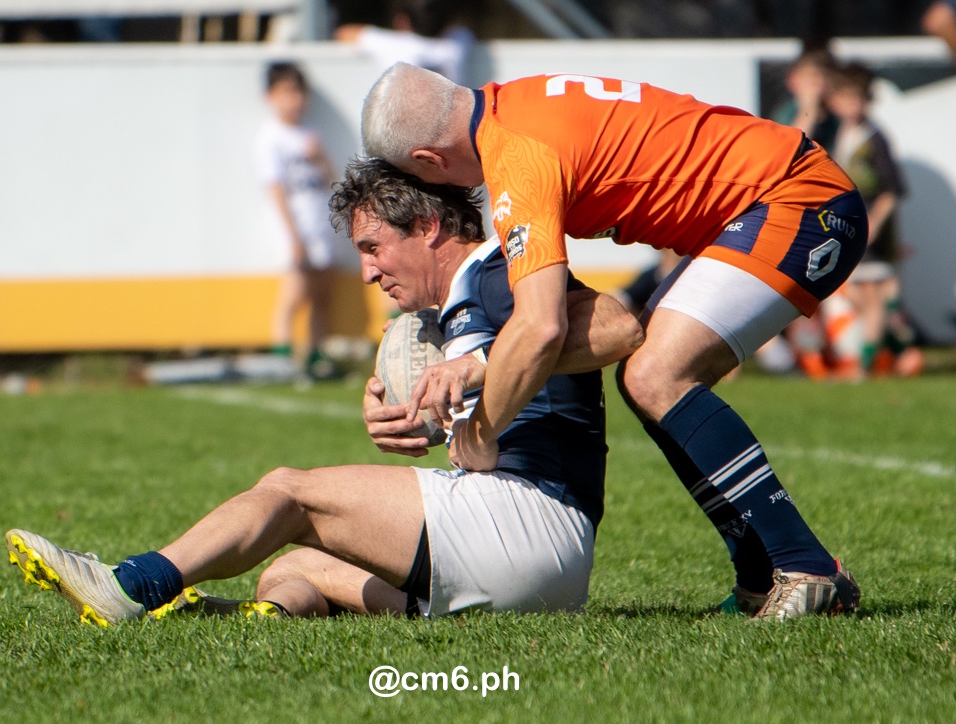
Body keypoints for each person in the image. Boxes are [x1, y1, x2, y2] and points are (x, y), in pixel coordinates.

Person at [4, 159, 642, 624]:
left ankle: (130, 586)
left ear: (427, 226)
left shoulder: (496, 271)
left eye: (373, 248)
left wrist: (476, 370)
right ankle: (261, 620)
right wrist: (412, 421)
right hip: (532, 559)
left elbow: (619, 327)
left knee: (289, 491)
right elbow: (509, 400)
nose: (366, 272)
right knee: (292, 568)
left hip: (531, 521)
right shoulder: (453, 307)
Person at [361, 63, 866, 620]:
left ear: (431, 161)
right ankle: (759, 577)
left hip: (799, 199)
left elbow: (541, 327)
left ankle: (807, 567)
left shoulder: (516, 156)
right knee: (646, 376)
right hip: (772, 196)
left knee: (655, 375)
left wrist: (478, 432)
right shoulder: (513, 104)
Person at [255, 62, 343, 380]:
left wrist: (320, 157)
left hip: (320, 223)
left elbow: (332, 180)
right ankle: (283, 359)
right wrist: (293, 237)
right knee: (294, 294)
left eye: (299, 93)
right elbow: (276, 189)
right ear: (270, 96)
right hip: (295, 227)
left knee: (322, 295)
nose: (295, 100)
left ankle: (315, 357)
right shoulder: (271, 137)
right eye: (287, 93)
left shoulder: (309, 134)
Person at [824, 62, 912, 376]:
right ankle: (896, 339)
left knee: (871, 295)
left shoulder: (875, 138)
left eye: (858, 99)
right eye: (846, 99)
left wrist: (874, 223)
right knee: (859, 294)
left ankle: (864, 366)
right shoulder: (839, 133)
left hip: (869, 229)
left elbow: (892, 189)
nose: (853, 106)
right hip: (849, 226)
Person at [334, 0, 475, 85]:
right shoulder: (458, 43)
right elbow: (463, 31)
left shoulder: (391, 44)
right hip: (447, 123)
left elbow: (342, 33)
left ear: (403, 21)